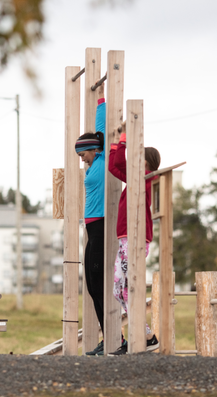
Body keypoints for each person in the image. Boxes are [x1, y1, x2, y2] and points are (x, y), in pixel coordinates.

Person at [107, 121, 161, 356]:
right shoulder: (137, 179)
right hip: (125, 239)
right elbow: (113, 166)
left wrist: (125, 136)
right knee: (118, 290)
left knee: (129, 289)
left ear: (146, 164)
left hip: (136, 239)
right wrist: (115, 141)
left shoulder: (146, 178)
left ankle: (141, 337)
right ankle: (145, 334)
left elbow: (119, 163)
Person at [76, 84, 109, 356]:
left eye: (82, 154)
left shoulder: (102, 158)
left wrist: (102, 97)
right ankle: (110, 336)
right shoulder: (92, 164)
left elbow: (104, 127)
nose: (82, 160)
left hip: (100, 227)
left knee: (98, 283)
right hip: (91, 229)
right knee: (91, 284)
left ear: (92, 149)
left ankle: (112, 338)